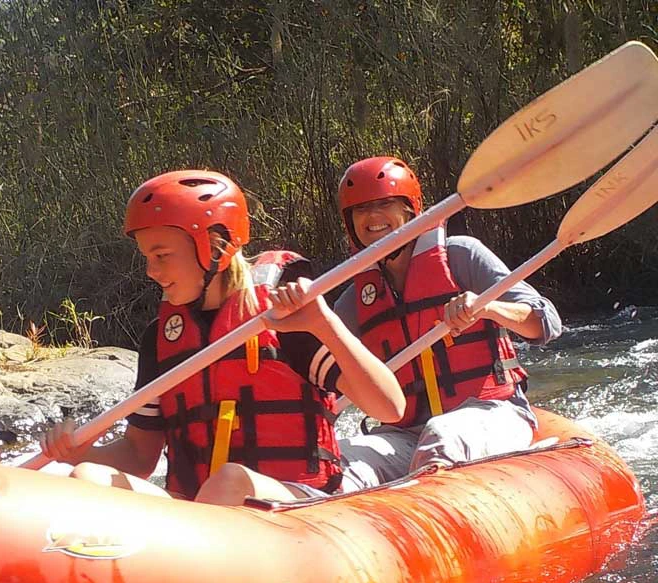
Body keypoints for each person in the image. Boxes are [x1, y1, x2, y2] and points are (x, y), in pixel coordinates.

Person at [40, 169, 406, 504]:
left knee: (230, 482)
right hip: (200, 516)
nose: (151, 270)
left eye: (162, 255)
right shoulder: (161, 339)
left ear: (215, 247)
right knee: (87, 478)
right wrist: (80, 452)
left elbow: (390, 407)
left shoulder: (284, 320)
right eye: (146, 257)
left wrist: (325, 325)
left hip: (294, 504)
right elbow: (139, 456)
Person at [332, 156, 563, 487]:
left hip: (493, 413)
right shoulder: (354, 301)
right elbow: (326, 385)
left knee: (441, 434)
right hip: (403, 435)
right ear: (350, 222)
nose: (372, 216)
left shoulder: (461, 256)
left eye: (385, 204)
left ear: (410, 210)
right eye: (361, 209)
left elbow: (546, 322)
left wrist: (486, 307)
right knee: (341, 458)